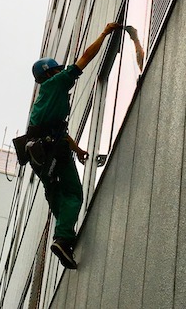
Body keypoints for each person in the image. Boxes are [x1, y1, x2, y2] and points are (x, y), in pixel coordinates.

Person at [28, 22, 121, 269]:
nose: (61, 72)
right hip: (52, 149)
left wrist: (78, 149)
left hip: (38, 156)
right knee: (73, 193)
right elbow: (85, 58)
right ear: (49, 74)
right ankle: (63, 238)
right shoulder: (55, 84)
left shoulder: (44, 100)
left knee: (56, 196)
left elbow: (56, 129)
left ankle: (64, 239)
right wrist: (104, 33)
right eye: (56, 70)